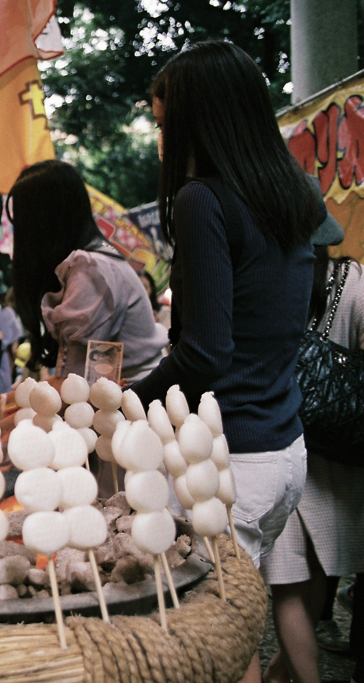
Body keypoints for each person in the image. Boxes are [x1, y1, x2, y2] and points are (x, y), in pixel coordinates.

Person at [127, 41, 327, 682]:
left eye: (164, 125)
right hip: (286, 450)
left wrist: (132, 401)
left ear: (196, 120)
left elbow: (207, 352)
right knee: (242, 621)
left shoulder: (202, 199)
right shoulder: (293, 191)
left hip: (231, 461)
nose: (161, 142)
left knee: (220, 641)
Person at [259, 220, 364, 683]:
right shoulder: (355, 282)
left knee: (290, 583)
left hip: (286, 443)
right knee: (316, 575)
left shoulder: (268, 284)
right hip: (344, 455)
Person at [10, 160, 168, 384]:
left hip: (137, 404)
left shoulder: (91, 272)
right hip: (129, 399)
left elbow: (74, 386)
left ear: (42, 220)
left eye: (23, 219)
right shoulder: (96, 263)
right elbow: (94, 378)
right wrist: (2, 403)